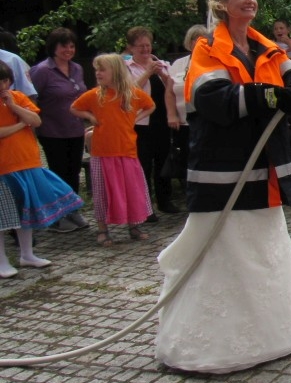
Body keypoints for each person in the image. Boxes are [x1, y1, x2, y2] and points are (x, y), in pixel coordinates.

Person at [154, 0, 291, 373]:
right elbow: (211, 98)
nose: (250, 0)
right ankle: (210, 345)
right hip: (224, 169)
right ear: (222, 3)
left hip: (264, 167)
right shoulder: (207, 49)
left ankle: (272, 335)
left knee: (262, 246)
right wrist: (269, 95)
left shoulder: (265, 46)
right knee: (224, 251)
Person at [0, 60, 85, 277]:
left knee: (24, 212)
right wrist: (20, 125)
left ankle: (27, 254)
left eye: (5, 81)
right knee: (4, 217)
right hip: (4, 167)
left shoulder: (17, 97)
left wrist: (14, 107)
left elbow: (35, 120)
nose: (2, 86)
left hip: (27, 163)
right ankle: (2, 261)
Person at [71, 54, 156, 245]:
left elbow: (150, 105)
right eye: (96, 70)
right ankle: (103, 229)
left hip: (126, 151)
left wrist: (135, 118)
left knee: (131, 190)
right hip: (102, 153)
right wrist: (90, 118)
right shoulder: (95, 95)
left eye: (102, 69)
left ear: (115, 72)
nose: (98, 73)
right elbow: (74, 108)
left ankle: (134, 225)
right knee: (102, 192)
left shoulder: (131, 94)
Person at [29, 28, 89, 232]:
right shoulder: (42, 70)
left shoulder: (77, 69)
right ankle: (57, 216)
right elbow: (32, 99)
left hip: (75, 128)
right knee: (58, 172)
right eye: (64, 46)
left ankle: (73, 210)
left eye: (72, 46)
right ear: (53, 47)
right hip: (52, 130)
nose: (69, 50)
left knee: (73, 172)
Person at [124, 26, 179, 217]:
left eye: (147, 45)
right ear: (131, 48)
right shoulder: (126, 68)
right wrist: (147, 73)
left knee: (163, 162)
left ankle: (165, 200)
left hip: (162, 120)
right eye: (140, 47)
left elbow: (174, 89)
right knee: (143, 165)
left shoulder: (163, 64)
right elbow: (128, 92)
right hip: (141, 122)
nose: (146, 50)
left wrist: (162, 74)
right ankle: (145, 207)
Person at [166, 25, 207, 189]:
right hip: (183, 123)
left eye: (202, 39)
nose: (197, 43)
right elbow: (169, 92)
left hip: (205, 122)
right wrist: (172, 114)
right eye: (194, 39)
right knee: (186, 160)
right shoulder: (178, 64)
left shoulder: (213, 61)